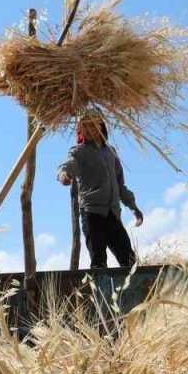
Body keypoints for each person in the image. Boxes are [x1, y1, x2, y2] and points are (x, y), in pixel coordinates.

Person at [57, 113, 145, 269]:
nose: (89, 129)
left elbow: (120, 185)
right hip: (92, 214)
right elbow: (66, 167)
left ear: (101, 126)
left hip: (113, 214)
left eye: (93, 124)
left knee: (130, 261)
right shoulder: (79, 152)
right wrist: (63, 175)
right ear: (80, 131)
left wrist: (133, 206)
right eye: (85, 126)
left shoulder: (111, 153)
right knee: (99, 262)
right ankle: (100, 292)